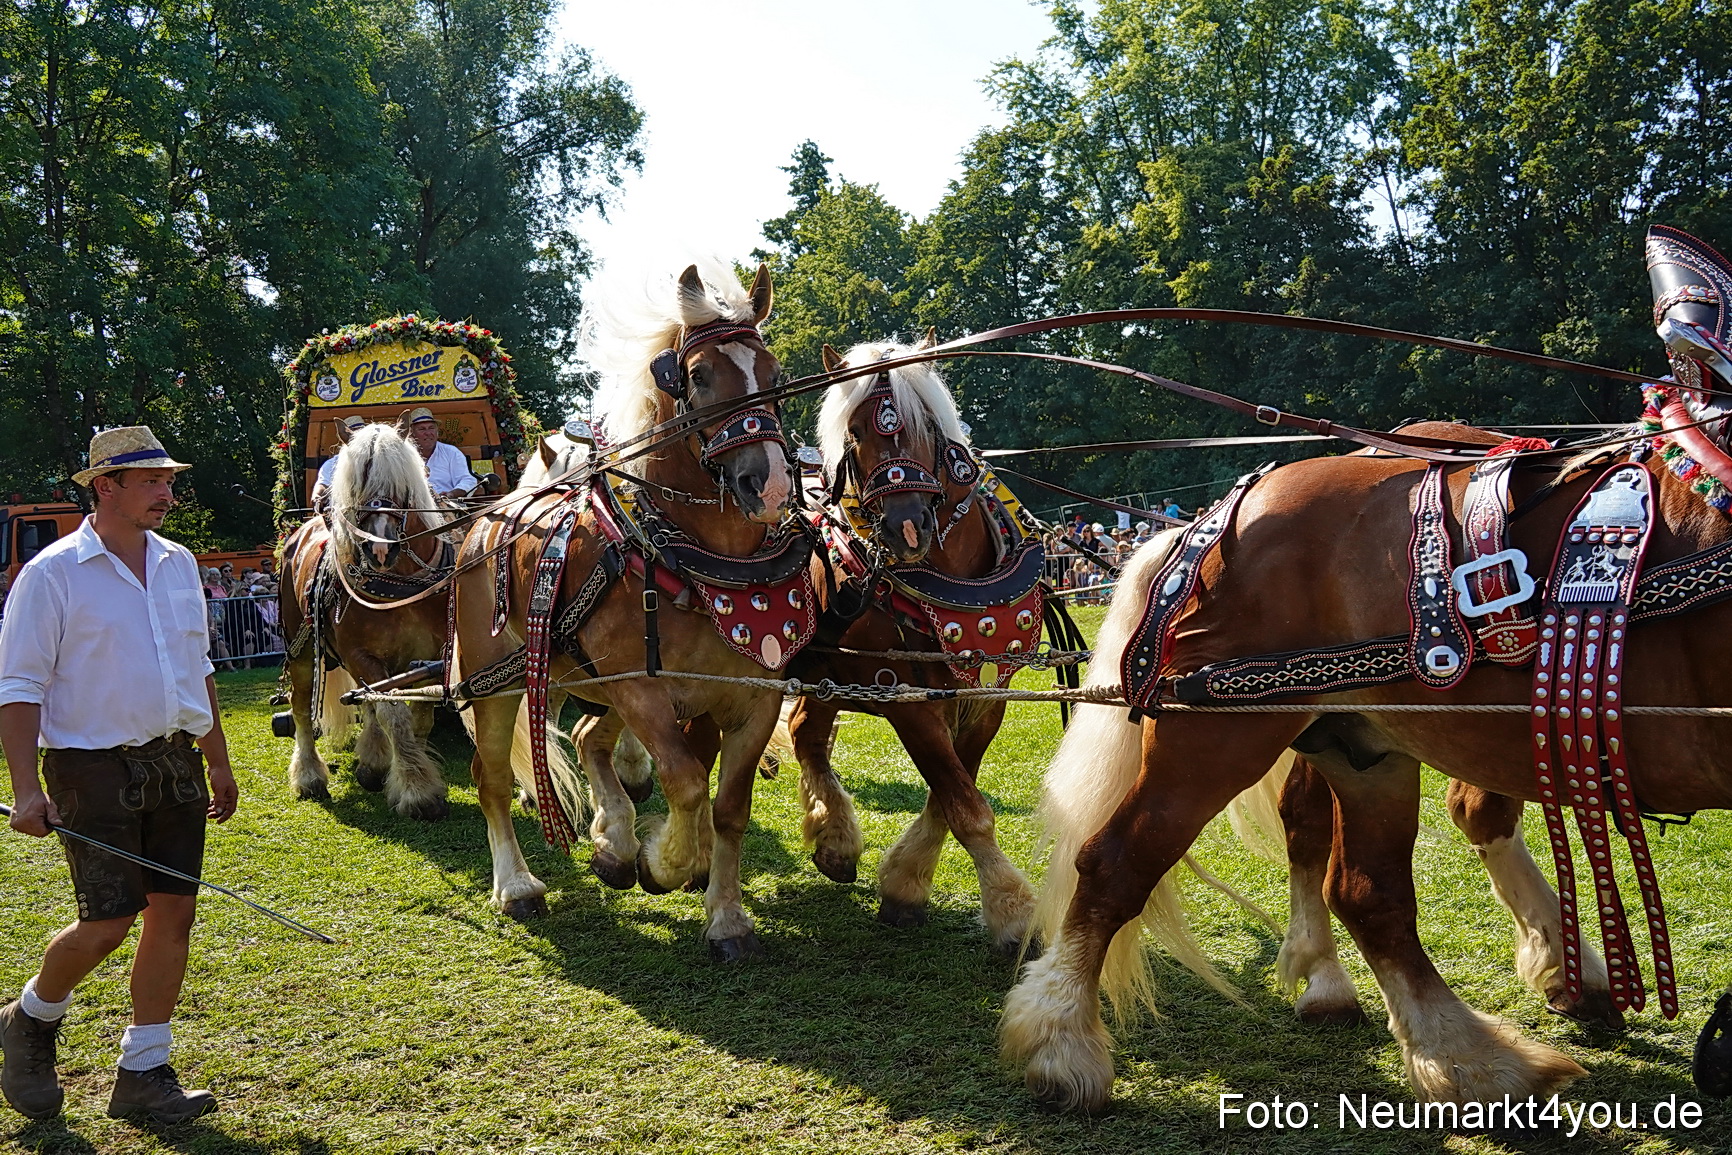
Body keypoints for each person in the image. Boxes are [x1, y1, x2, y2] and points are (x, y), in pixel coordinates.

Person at [0, 426, 237, 1124]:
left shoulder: (178, 561)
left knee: (175, 912)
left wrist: (217, 755)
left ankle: (143, 1070)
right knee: (106, 921)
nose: (167, 492)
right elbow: (18, 687)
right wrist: (25, 789)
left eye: (169, 479)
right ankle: (30, 1017)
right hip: (88, 767)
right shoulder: (51, 573)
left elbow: (198, 668)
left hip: (175, 760)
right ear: (105, 486)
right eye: (152, 481)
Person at [402, 407, 479, 499]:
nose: (428, 433)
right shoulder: (403, 455)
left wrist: (452, 494)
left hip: (448, 507)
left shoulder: (451, 452)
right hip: (414, 508)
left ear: (437, 431)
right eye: (422, 429)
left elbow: (468, 479)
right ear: (411, 433)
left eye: (431, 428)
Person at [310, 414, 367, 512]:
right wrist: (318, 496)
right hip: (338, 514)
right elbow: (323, 484)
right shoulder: (332, 464)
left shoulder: (376, 461)